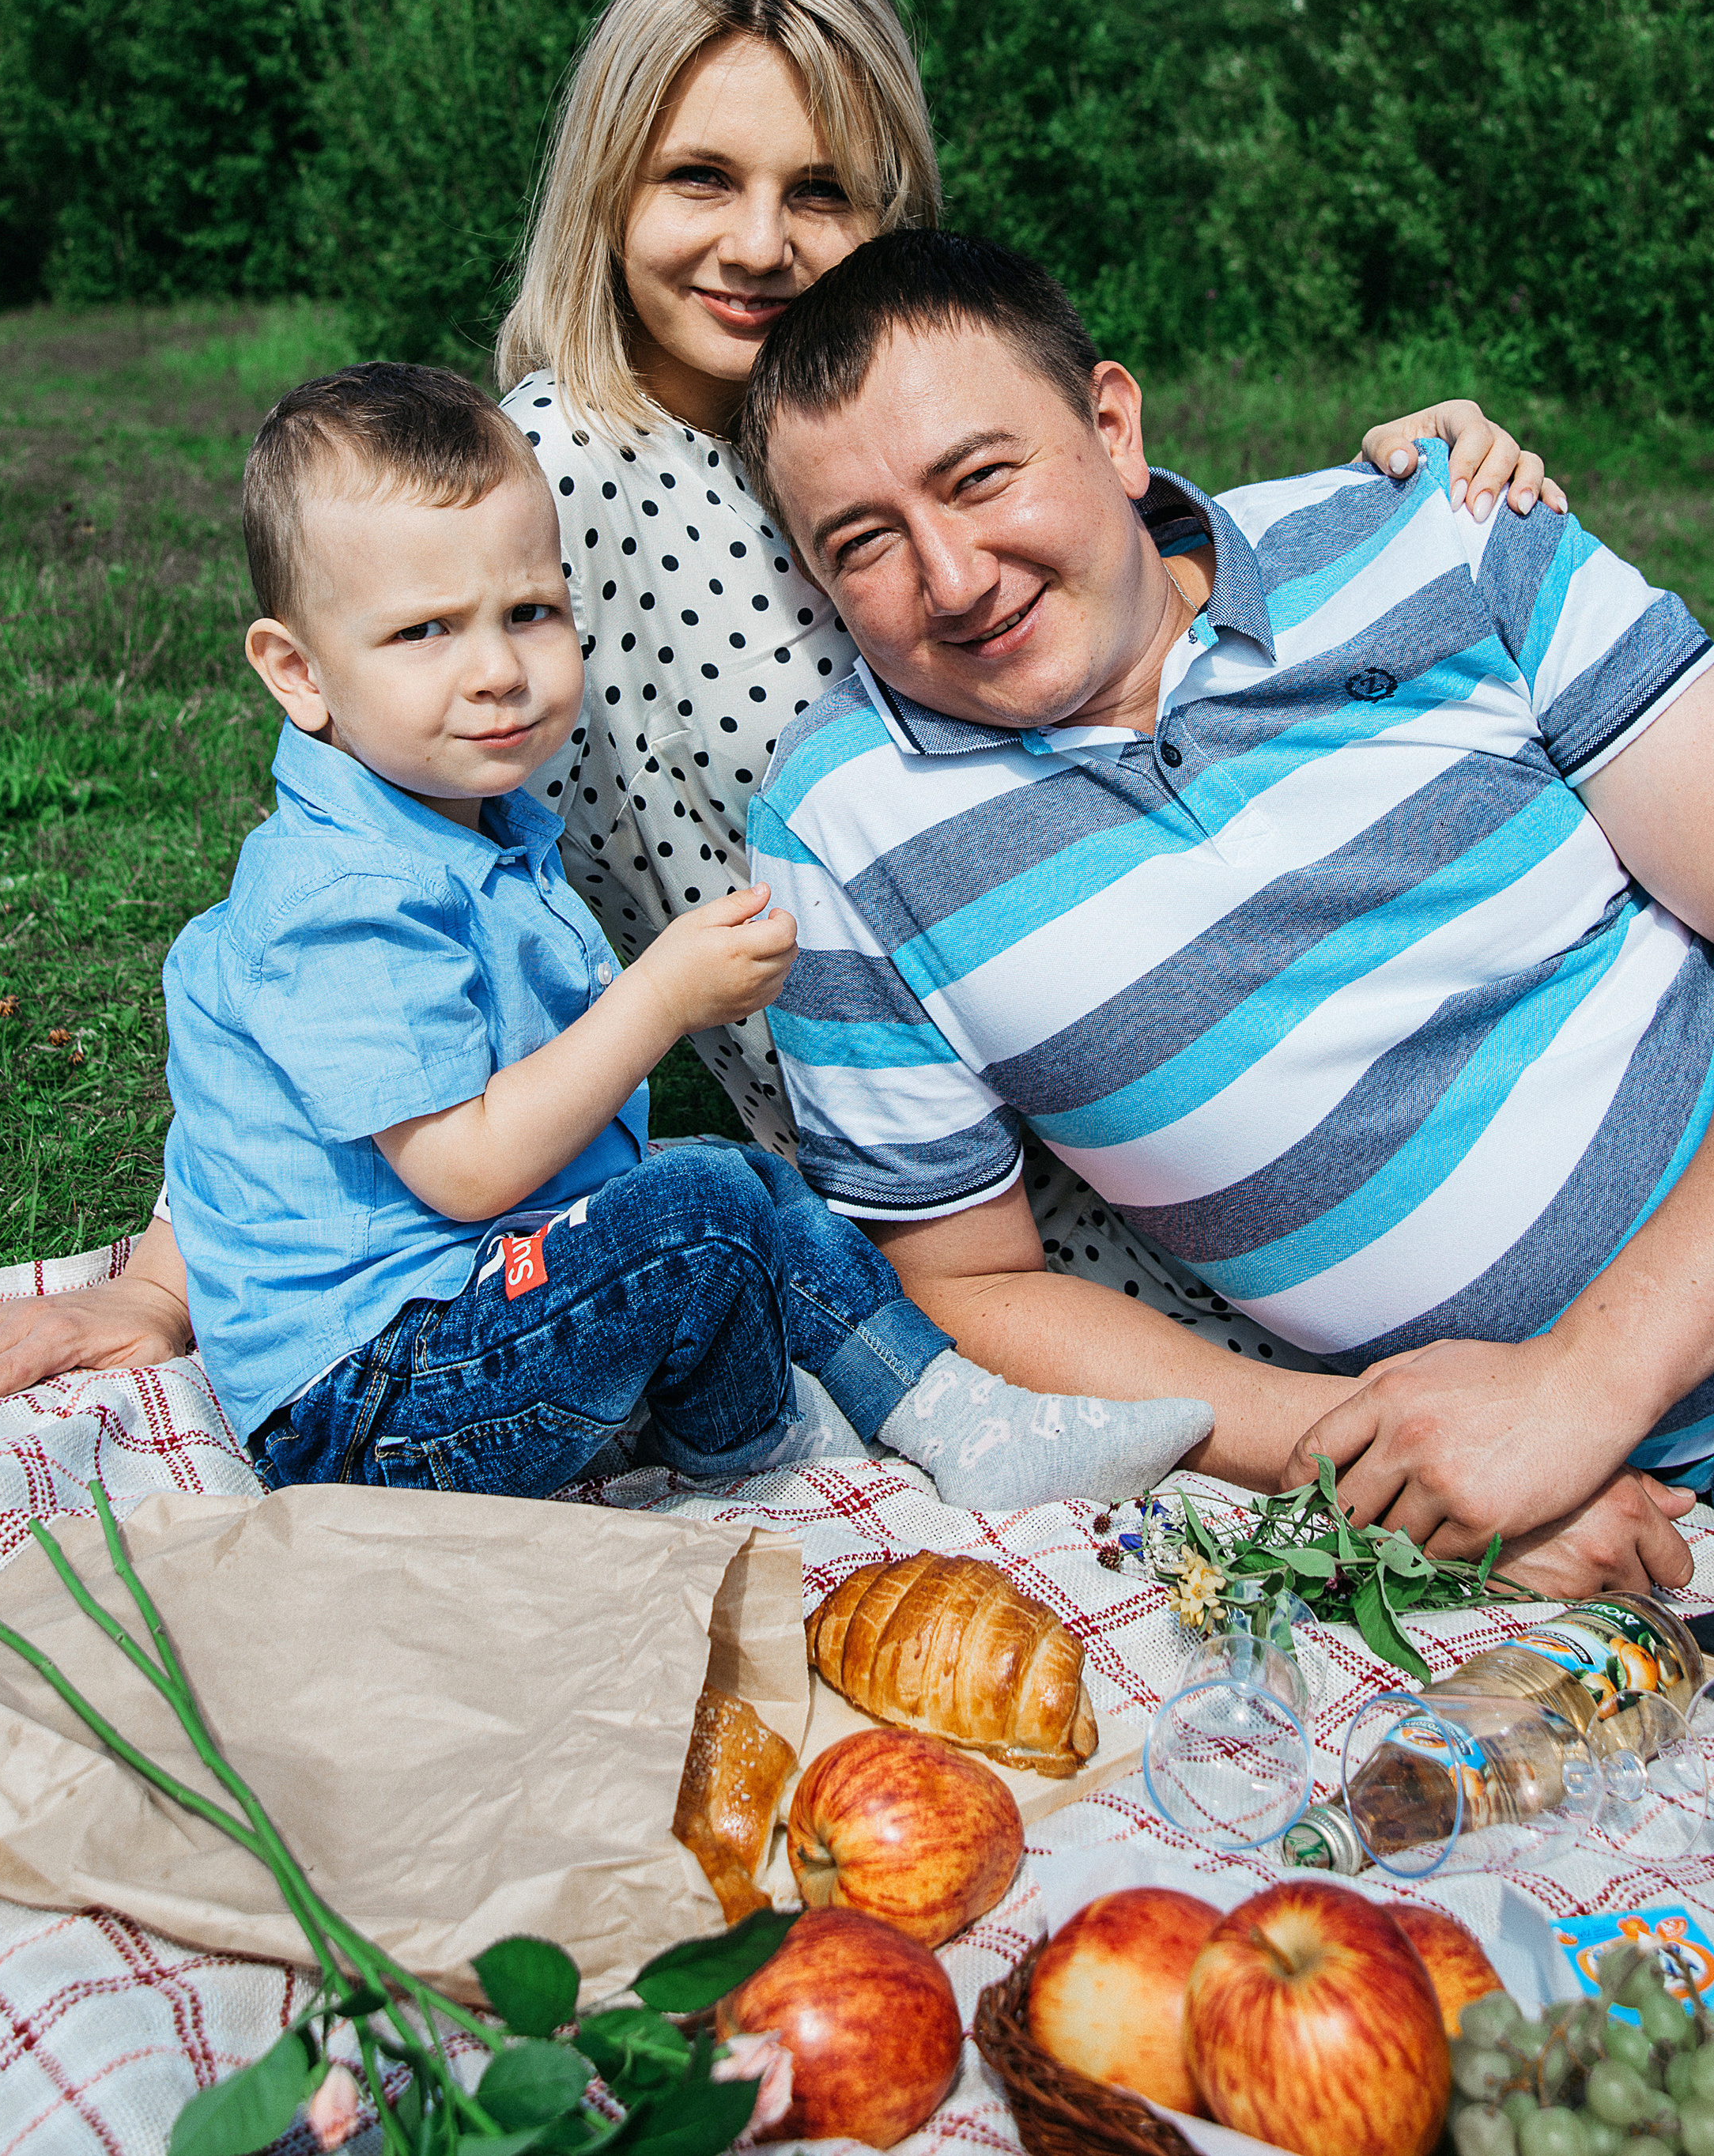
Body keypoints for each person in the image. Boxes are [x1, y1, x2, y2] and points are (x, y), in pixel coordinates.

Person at [0, 0, 1564, 1418]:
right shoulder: (565, 484)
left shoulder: (871, 432)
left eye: (818, 191)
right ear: (607, 188)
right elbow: (363, 905)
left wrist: (1373, 496)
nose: (758, 244)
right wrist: (164, 1281)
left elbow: (1127, 616)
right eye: (700, 176)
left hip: (1188, 1070)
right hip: (973, 1223)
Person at [740, 229, 1714, 1595]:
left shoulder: (1434, 530)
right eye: (862, 543)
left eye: (980, 478)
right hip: (1654, 1507)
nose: (955, 578)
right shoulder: (842, 831)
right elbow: (967, 1287)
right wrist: (1388, 1466)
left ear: (1111, 425)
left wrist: (1581, 1387)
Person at [162, 359, 1218, 1505]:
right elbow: (465, 1170)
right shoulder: (341, 893)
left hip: (469, 1317)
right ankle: (753, 1458)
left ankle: (958, 1418)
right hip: (373, 1402)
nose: (498, 672)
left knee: (743, 1181)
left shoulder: (456, 826)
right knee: (690, 1217)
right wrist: (658, 997)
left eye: (530, 613)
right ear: (297, 672)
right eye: (424, 632)